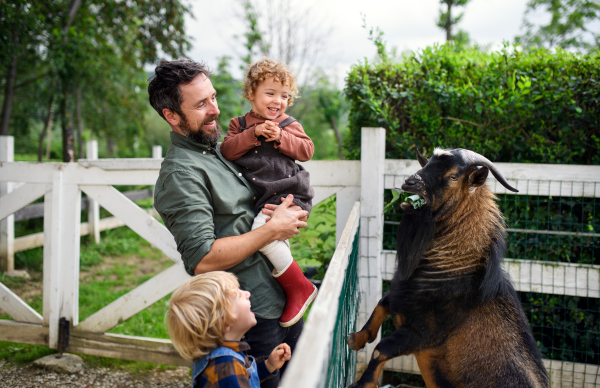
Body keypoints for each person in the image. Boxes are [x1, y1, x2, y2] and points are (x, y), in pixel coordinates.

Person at [148, 59, 307, 388]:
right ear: (171, 116)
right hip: (251, 319)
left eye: (214, 97)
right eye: (201, 104)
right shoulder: (181, 173)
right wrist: (272, 230)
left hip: (279, 297)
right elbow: (203, 259)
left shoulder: (217, 149)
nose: (215, 110)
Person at [220, 58, 317, 328]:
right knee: (272, 241)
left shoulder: (288, 124)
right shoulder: (238, 124)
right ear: (252, 94)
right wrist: (254, 133)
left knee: (263, 236)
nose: (278, 101)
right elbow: (227, 150)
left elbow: (307, 150)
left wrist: (280, 138)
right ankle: (289, 291)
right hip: (264, 198)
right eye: (270, 93)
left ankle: (300, 288)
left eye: (284, 96)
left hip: (289, 195)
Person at [167, 271, 292, 388]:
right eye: (238, 295)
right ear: (225, 322)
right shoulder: (226, 368)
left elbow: (245, 378)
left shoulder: (223, 356)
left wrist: (268, 365)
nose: (247, 293)